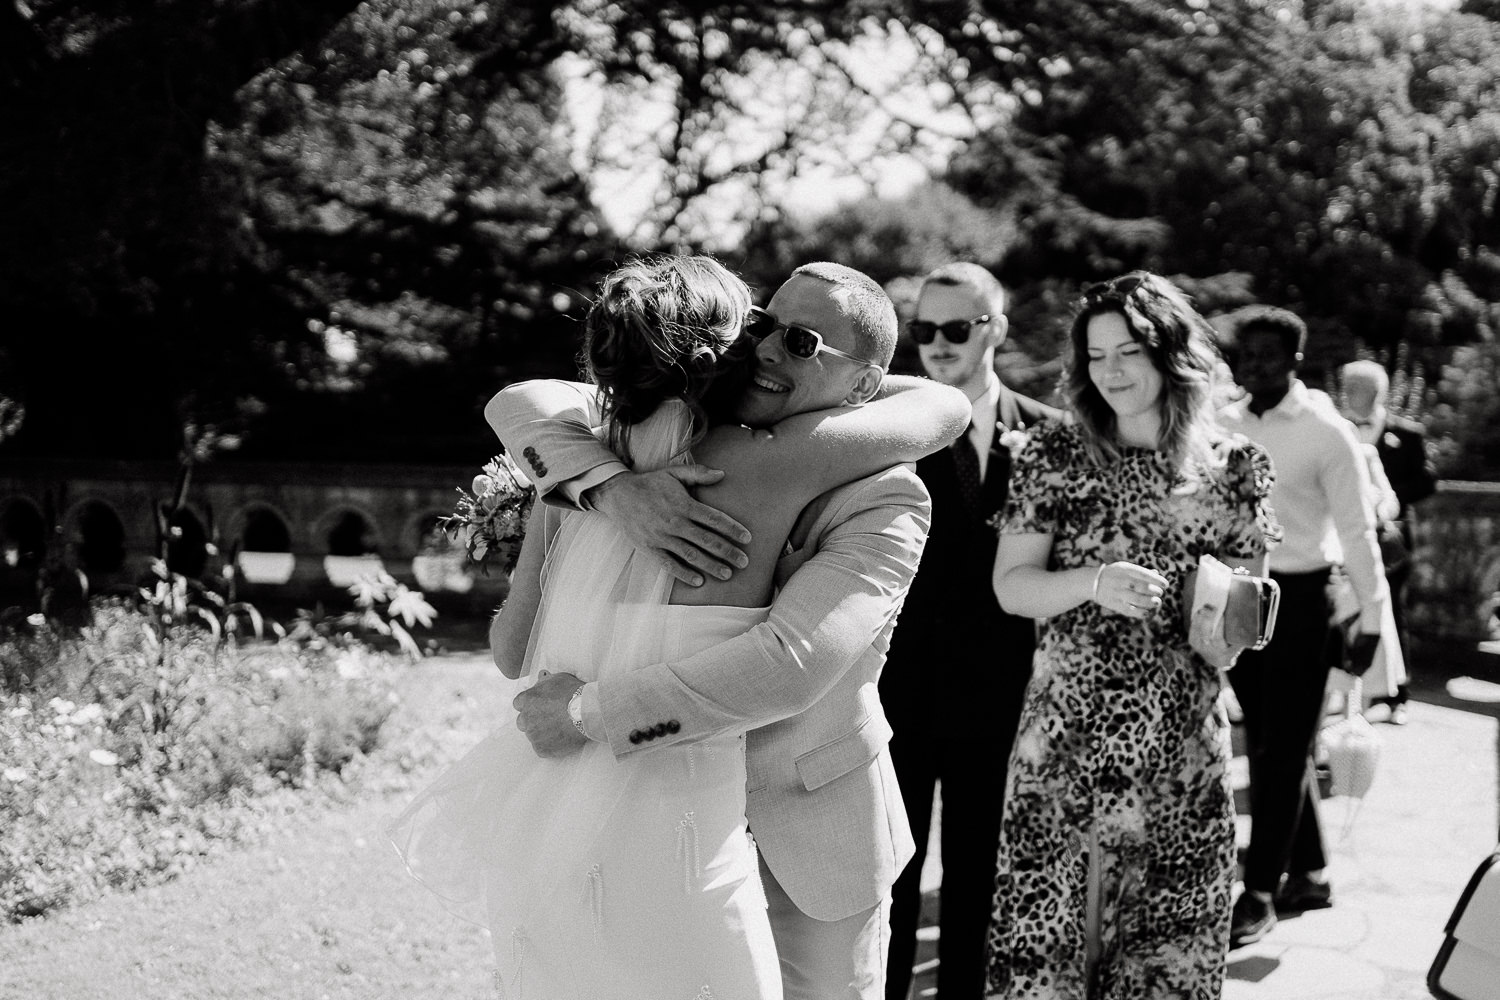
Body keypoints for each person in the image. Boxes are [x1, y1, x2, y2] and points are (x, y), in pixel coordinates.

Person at [388, 255, 969, 999]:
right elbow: (523, 402)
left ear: (863, 384)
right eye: (762, 326)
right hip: (658, 812)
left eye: (801, 344)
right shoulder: (659, 435)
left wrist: (584, 713)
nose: (764, 348)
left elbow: (790, 666)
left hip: (809, 822)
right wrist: (612, 489)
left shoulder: (888, 494)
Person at [985, 271, 1280, 999]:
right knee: (1048, 953)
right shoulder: (1054, 454)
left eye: (1129, 352)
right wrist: (1092, 582)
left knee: (1168, 956)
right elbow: (1011, 585)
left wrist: (1221, 614)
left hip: (1181, 746)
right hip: (1066, 742)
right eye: (1095, 355)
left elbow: (1247, 610)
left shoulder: (1235, 468)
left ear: (1170, 353)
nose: (1110, 371)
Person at [881, 263, 1060, 1000]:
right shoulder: (880, 427)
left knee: (981, 880)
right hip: (897, 693)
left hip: (1006, 695)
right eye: (925, 330)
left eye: (958, 328)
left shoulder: (1051, 436)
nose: (940, 344)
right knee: (890, 876)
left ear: (997, 328)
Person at [1216, 307, 1388, 947]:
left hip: (1305, 600)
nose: (1252, 365)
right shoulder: (1223, 423)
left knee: (1283, 750)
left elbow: (1358, 531)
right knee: (1265, 741)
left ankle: (1258, 892)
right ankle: (1309, 873)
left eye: (1266, 355)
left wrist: (1373, 617)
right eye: (1246, 354)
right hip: (1240, 595)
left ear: (1294, 360)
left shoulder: (1326, 432)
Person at [1340, 359, 1436, 725]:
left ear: (1376, 393)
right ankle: (1352, 694)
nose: (1348, 395)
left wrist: (1384, 502)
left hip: (1390, 540)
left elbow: (1428, 480)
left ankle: (1398, 696)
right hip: (1347, 541)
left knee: (1391, 610)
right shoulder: (1339, 428)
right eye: (1347, 388)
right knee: (1350, 614)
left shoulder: (1406, 433)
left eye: (1356, 389)